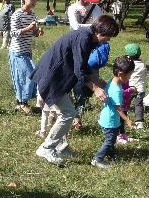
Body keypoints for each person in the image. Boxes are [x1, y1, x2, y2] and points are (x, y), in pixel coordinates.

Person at [31, 15, 119, 166]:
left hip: (58, 79)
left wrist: (102, 83)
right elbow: (80, 72)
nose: (108, 40)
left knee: (65, 112)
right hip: (52, 78)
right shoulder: (83, 38)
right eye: (109, 36)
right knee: (68, 113)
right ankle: (47, 147)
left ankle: (62, 147)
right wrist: (96, 89)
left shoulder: (88, 38)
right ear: (100, 32)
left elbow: (84, 67)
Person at [91, 56, 135, 169]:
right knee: (109, 141)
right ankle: (97, 159)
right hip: (110, 120)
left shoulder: (112, 81)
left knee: (112, 139)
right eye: (129, 75)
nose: (129, 78)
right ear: (120, 74)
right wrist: (128, 120)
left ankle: (112, 157)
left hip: (107, 117)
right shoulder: (116, 90)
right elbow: (118, 109)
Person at [8, 0, 42, 114]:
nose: (34, 1)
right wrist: (28, 28)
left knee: (24, 76)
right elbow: (13, 33)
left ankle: (21, 102)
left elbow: (32, 32)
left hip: (27, 50)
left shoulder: (32, 14)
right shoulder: (17, 14)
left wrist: (37, 32)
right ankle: (23, 103)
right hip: (17, 51)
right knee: (29, 75)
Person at [124, 43, 147, 131]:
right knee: (139, 105)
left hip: (129, 88)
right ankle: (139, 122)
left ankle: (124, 119)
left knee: (125, 104)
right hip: (140, 89)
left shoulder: (128, 65)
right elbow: (145, 74)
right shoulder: (142, 65)